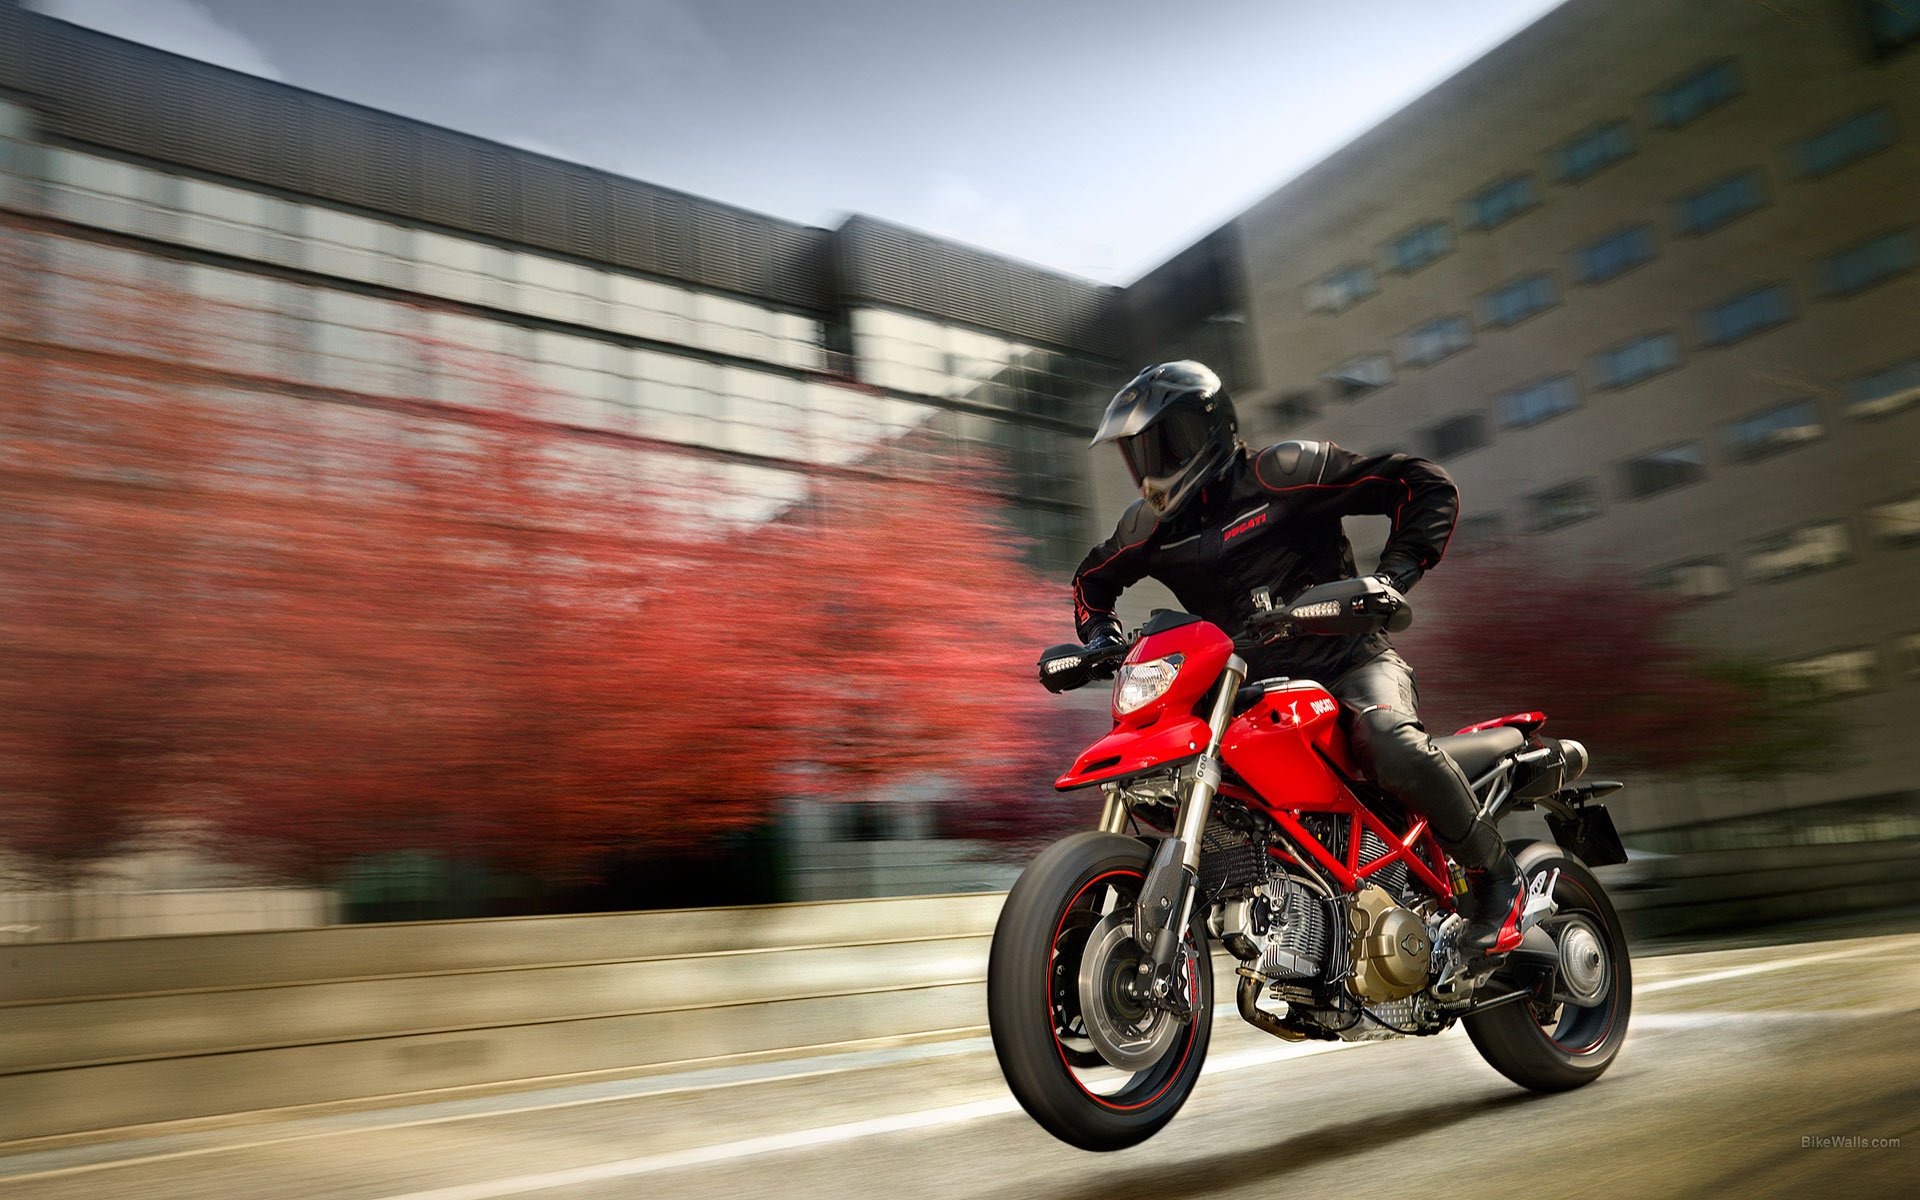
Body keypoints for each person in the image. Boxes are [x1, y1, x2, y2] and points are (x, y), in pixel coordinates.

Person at [1071, 360, 1525, 953]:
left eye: (1163, 445)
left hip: (1351, 663)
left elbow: (1421, 485)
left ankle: (1498, 878)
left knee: (1389, 743)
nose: (1150, 469)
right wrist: (1099, 638)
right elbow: (1091, 582)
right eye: (1137, 455)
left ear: (1207, 430)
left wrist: (1392, 578)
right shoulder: (1148, 529)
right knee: (1176, 775)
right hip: (1249, 694)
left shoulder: (1283, 473)